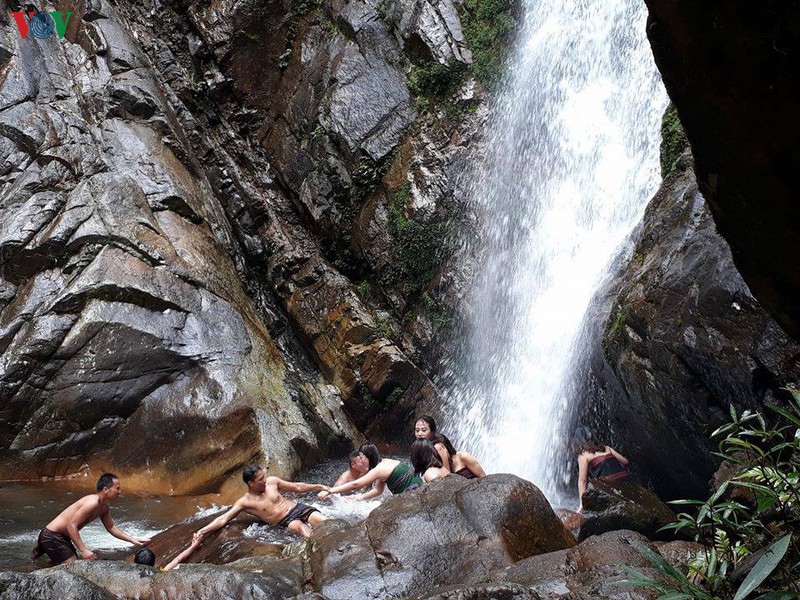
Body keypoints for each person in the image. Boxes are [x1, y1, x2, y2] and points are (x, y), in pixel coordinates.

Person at [30, 473, 151, 566]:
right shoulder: (92, 503)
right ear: (105, 489)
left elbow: (111, 528)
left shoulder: (104, 507)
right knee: (73, 567)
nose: (120, 492)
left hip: (61, 537)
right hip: (52, 536)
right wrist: (84, 550)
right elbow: (71, 525)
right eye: (117, 488)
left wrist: (133, 540)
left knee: (59, 565)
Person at [193, 466, 329, 540]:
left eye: (264, 477)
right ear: (251, 483)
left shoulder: (272, 482)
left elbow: (297, 487)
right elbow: (224, 518)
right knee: (303, 531)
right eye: (260, 480)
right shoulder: (245, 502)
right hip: (286, 520)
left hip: (298, 508)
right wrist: (202, 531)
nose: (264, 481)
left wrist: (319, 486)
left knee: (326, 522)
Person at [319, 443, 422, 499]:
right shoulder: (385, 462)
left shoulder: (378, 470)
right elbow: (378, 490)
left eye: (361, 457)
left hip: (412, 493)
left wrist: (330, 490)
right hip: (420, 487)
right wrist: (358, 498)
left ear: (368, 457)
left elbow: (356, 484)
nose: (361, 461)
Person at [414, 416, 486, 479]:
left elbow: (485, 478)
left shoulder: (461, 456)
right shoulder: (422, 451)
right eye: (417, 430)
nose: (420, 434)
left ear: (432, 432)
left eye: (424, 430)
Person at [576, 443, 631, 513]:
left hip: (609, 486)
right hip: (626, 482)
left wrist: (582, 504)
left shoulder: (583, 455)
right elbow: (625, 461)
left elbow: (582, 481)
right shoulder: (607, 448)